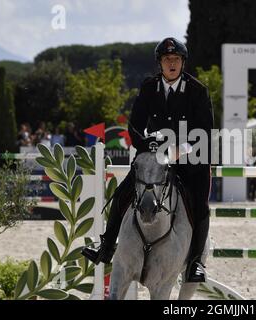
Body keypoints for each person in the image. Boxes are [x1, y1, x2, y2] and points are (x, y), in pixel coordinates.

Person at [81, 37, 214, 283]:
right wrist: (146, 146)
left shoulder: (198, 91)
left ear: (182, 62)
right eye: (166, 59)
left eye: (175, 59)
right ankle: (107, 246)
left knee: (200, 207)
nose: (171, 63)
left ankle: (195, 263)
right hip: (156, 159)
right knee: (122, 193)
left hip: (191, 161)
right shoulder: (148, 87)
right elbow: (134, 126)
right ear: (160, 63)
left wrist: (179, 149)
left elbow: (205, 132)